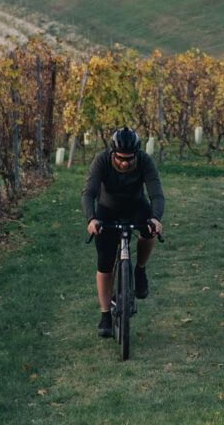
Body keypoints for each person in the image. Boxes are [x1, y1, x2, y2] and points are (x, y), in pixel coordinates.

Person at [82, 126, 164, 338]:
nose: (125, 162)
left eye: (130, 158)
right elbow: (88, 192)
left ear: (136, 153)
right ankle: (105, 315)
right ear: (113, 153)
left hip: (136, 206)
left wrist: (155, 218)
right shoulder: (101, 160)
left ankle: (140, 270)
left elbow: (156, 193)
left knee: (149, 230)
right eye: (120, 158)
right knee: (105, 261)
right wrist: (92, 219)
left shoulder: (145, 161)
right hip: (106, 210)